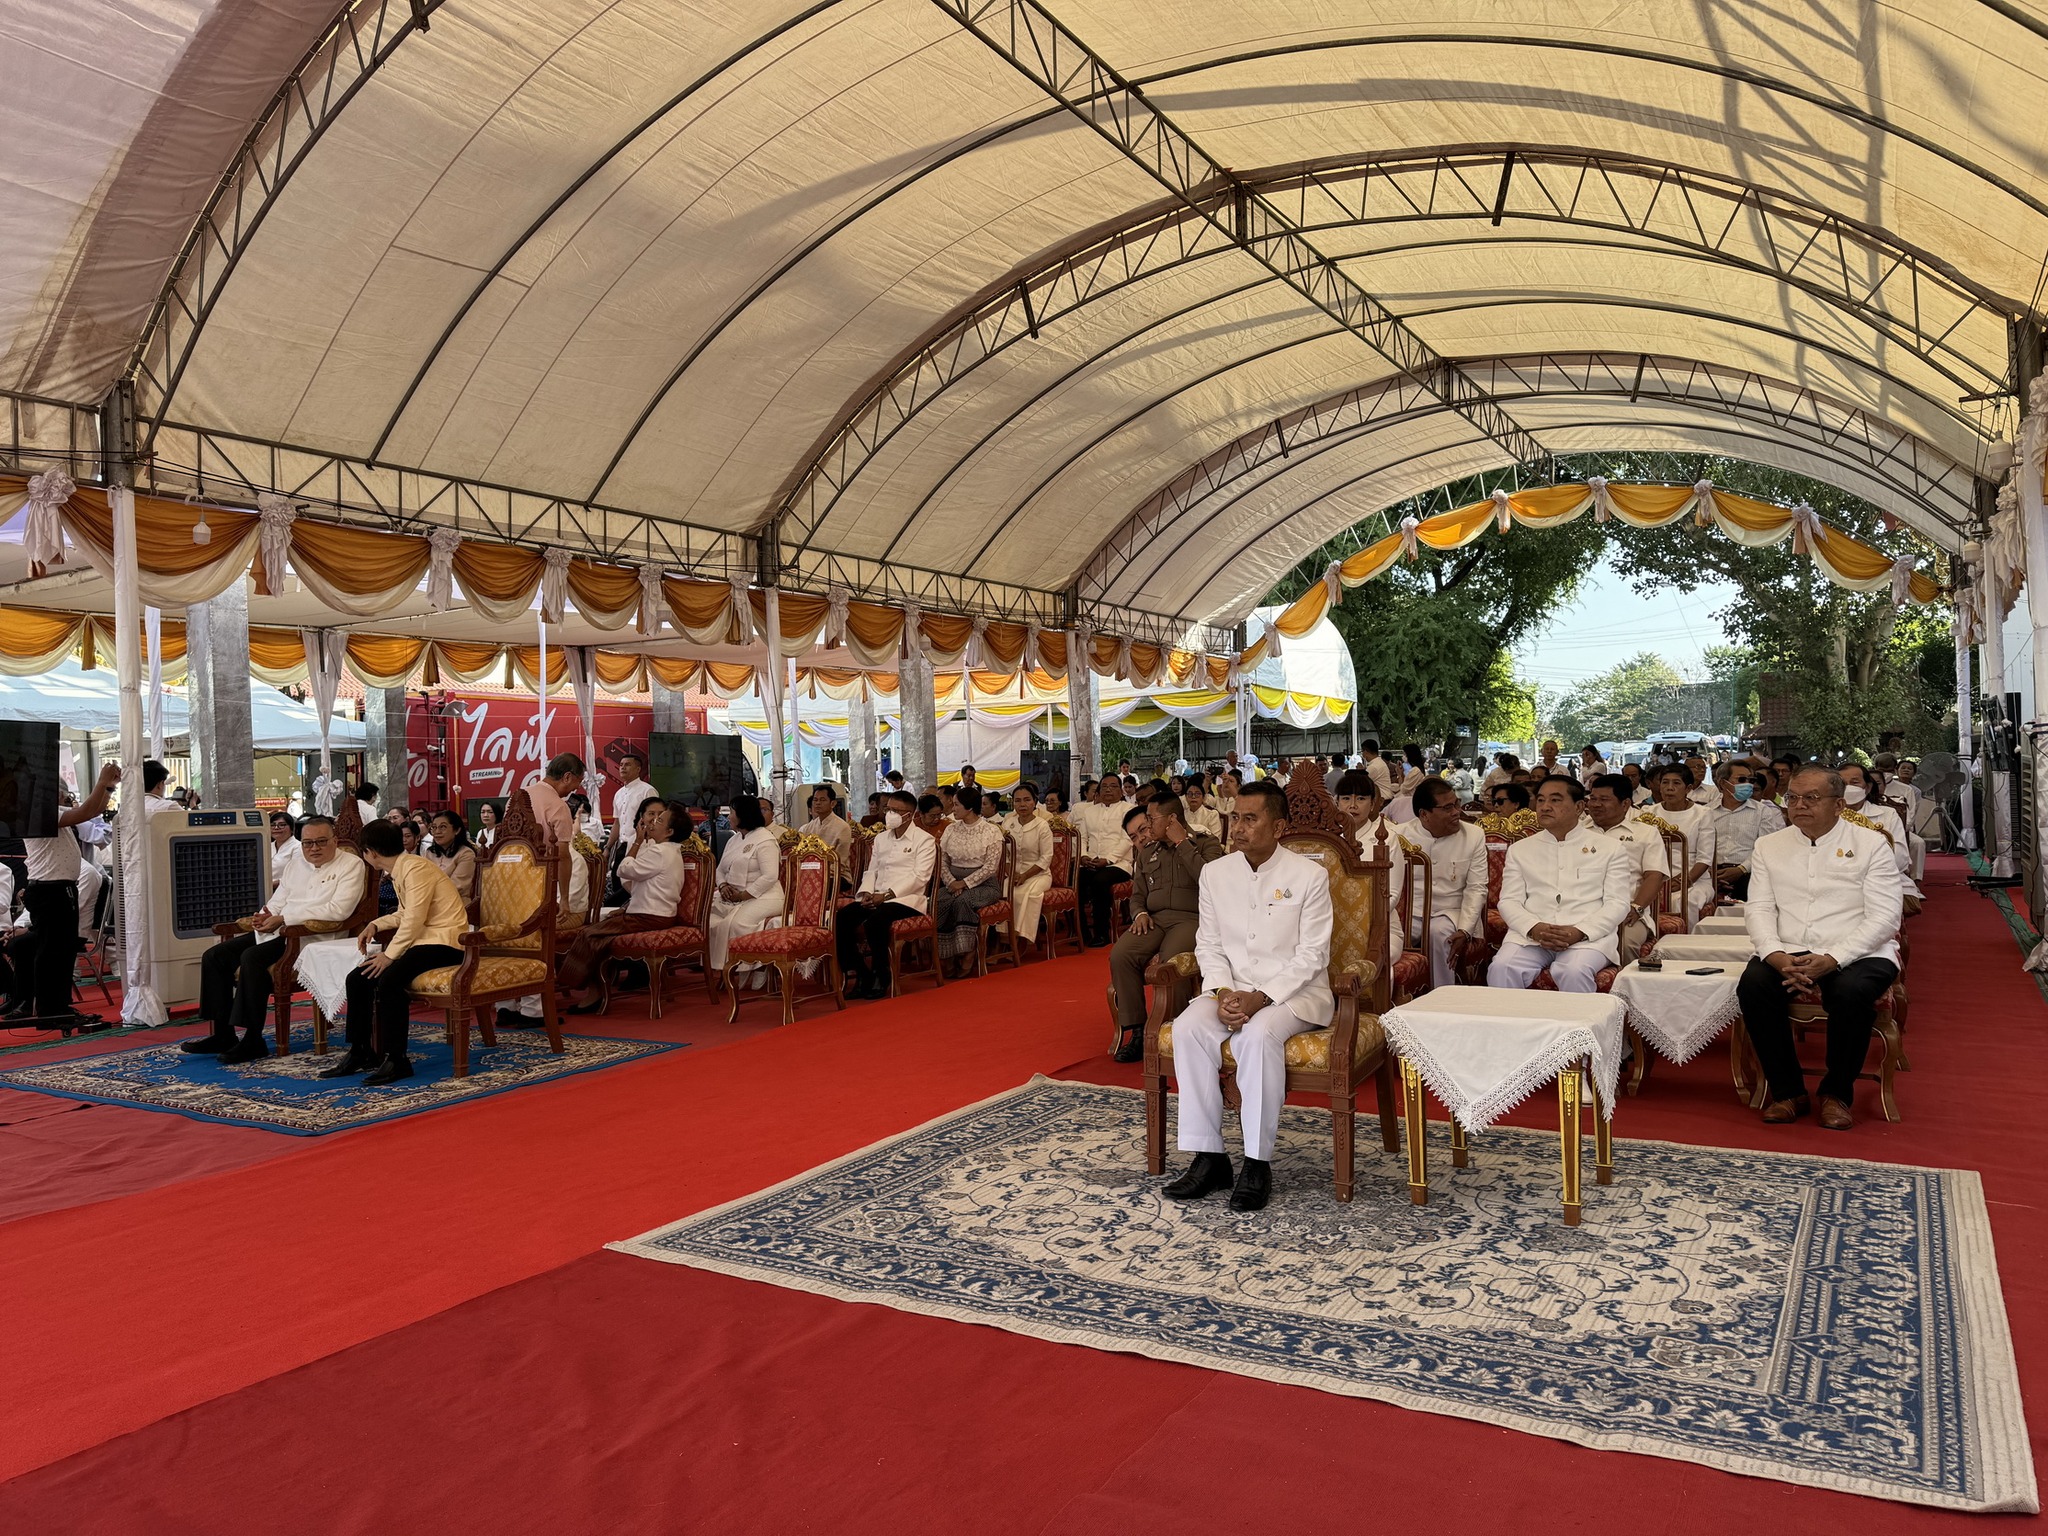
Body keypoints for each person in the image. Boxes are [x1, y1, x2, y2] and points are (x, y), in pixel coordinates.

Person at [1160, 781, 1333, 1214]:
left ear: (1278, 826)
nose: (1237, 827)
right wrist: (1221, 991)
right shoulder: (1216, 873)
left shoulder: (1309, 875)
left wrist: (1261, 997)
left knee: (1257, 1037)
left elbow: (1314, 954)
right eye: (1234, 817)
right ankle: (1210, 1157)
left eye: (1249, 819)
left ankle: (1257, 1162)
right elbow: (1208, 944)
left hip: (1294, 994)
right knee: (1188, 1027)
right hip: (1229, 989)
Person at [1736, 767, 1904, 1130]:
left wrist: (1833, 959)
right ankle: (1788, 1091)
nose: (1799, 805)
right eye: (1792, 798)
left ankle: (1837, 1093)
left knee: (1850, 990)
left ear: (1839, 804)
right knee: (1753, 985)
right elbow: (1760, 908)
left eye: (1811, 798)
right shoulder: (1770, 845)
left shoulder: (1870, 844)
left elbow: (1885, 918)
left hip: (1862, 950)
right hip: (1789, 947)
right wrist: (1775, 955)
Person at [183, 815, 367, 1062]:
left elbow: (338, 910)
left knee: (252, 958)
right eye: (308, 843)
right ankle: (222, 1034)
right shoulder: (297, 863)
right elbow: (279, 900)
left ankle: (253, 1039)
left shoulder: (352, 864)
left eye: (321, 842)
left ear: (334, 841)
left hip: (313, 936)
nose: (314, 848)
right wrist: (263, 916)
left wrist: (284, 918)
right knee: (215, 955)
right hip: (278, 930)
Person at [318, 819, 468, 1086]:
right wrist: (375, 924)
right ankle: (361, 1051)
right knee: (358, 978)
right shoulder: (403, 869)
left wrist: (389, 956)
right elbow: (405, 913)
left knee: (388, 980)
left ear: (371, 853)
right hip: (424, 941)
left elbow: (414, 919)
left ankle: (397, 1058)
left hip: (446, 943)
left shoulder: (415, 868)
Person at [0, 763, 121, 1028]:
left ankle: (55, 1008)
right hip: (49, 890)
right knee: (53, 953)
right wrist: (102, 782)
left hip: (57, 889)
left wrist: (109, 786)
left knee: (60, 952)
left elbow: (93, 811)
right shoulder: (35, 812)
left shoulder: (43, 810)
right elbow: (87, 811)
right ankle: (51, 1010)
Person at [1487, 777, 1632, 992]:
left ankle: (1579, 1026)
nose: (1545, 807)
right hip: (1531, 936)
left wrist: (1580, 931)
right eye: (1541, 800)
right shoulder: (1521, 849)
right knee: (1502, 967)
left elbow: (1618, 903)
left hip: (1587, 938)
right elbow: (1509, 901)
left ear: (1579, 806)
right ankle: (1515, 1025)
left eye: (1555, 800)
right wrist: (1534, 928)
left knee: (1572, 971)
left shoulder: (1610, 848)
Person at [1109, 793, 1224, 1061]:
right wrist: (1138, 913)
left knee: (1171, 963)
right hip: (1154, 919)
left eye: (1152, 818)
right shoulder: (1148, 851)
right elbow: (1136, 895)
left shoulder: (1205, 844)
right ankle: (1138, 1031)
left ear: (1171, 819)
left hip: (1191, 919)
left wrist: (1182, 843)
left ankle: (1175, 1031)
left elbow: (1213, 883)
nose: (1148, 825)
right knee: (1121, 954)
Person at [559, 798, 688, 1010]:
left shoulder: (659, 852)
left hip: (649, 916)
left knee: (589, 934)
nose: (653, 821)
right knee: (599, 934)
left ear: (669, 832)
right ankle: (595, 990)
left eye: (660, 820)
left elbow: (623, 870)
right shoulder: (668, 850)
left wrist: (637, 841)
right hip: (649, 912)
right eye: (653, 816)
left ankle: (580, 986)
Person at [837, 789, 938, 998]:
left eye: (895, 810)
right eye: (888, 809)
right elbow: (871, 869)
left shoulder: (924, 840)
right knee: (842, 919)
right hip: (876, 896)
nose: (889, 813)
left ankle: (880, 975)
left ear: (909, 815)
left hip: (906, 900)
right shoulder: (881, 839)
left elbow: (920, 877)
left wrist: (887, 895)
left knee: (875, 922)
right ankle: (860, 973)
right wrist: (866, 893)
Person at [1399, 778, 1487, 987]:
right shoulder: (1398, 836)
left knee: (1439, 934)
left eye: (1456, 804)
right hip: (1410, 914)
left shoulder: (1473, 835)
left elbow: (1476, 888)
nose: (1457, 812)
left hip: (1451, 913)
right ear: (1424, 814)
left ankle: (1442, 997)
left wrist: (1465, 929)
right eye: (1448, 808)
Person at [1583, 774, 1666, 962]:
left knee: (1626, 942)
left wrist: (1637, 907)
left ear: (1625, 804)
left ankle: (1623, 989)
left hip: (1627, 913)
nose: (1595, 805)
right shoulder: (1577, 831)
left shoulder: (1645, 833)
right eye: (1593, 799)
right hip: (1581, 909)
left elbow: (1654, 875)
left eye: (1604, 800)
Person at [707, 793, 783, 985]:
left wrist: (743, 894)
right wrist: (723, 885)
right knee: (709, 919)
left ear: (743, 815)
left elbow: (770, 876)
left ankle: (756, 965)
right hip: (734, 896)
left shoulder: (765, 840)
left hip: (765, 896)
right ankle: (730, 966)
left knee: (736, 923)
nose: (728, 817)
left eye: (731, 812)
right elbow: (720, 869)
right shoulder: (734, 840)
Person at [932, 784, 1004, 974]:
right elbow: (942, 861)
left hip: (984, 884)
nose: (952, 808)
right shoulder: (951, 830)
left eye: (956, 805)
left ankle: (968, 952)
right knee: (939, 900)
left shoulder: (991, 831)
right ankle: (946, 953)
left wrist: (964, 883)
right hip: (953, 881)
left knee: (963, 902)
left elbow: (990, 867)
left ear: (969, 807)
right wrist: (951, 882)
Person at [1636, 764, 1716, 925]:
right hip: (1654, 877)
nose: (1669, 788)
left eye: (1676, 783)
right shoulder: (1649, 812)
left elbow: (1705, 859)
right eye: (1665, 782)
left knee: (1686, 902)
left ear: (1688, 788)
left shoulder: (1703, 814)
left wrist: (1681, 882)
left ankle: (1686, 946)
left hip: (1694, 880)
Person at [1837, 762, 1919, 909]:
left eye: (1854, 782)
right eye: (1843, 784)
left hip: (1880, 880)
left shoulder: (1888, 815)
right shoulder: (1826, 815)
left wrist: (1861, 870)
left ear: (1867, 787)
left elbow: (1900, 859)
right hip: (1835, 879)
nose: (1848, 787)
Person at [1073, 774, 1133, 946]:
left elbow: (1127, 839)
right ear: (1098, 791)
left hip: (1119, 864)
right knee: (1075, 880)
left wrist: (1108, 860)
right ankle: (1081, 933)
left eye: (1113, 786)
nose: (1108, 789)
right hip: (1091, 861)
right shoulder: (1090, 811)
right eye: (1104, 786)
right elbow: (1082, 837)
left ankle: (1102, 933)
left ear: (1121, 791)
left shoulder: (1128, 809)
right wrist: (1083, 855)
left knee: (1100, 881)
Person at [1709, 761, 1772, 902]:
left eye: (1751, 780)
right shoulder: (1706, 812)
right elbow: (1700, 848)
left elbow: (1765, 848)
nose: (1749, 784)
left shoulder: (1762, 812)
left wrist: (1741, 869)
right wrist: (1711, 874)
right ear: (1723, 783)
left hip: (1748, 872)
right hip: (1711, 873)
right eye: (1742, 779)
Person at [1001, 782, 1054, 948]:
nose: (1022, 805)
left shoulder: (1042, 825)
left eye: (1026, 800)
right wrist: (1011, 872)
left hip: (1039, 874)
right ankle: (1002, 936)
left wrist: (1025, 875)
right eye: (1017, 801)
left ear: (1034, 802)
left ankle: (1020, 938)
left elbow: (1046, 858)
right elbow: (1004, 855)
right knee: (1003, 890)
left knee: (1027, 893)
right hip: (1013, 873)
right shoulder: (1008, 824)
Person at [424, 810, 477, 904]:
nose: (437, 832)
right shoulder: (430, 853)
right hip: (430, 902)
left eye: (442, 827)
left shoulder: (466, 854)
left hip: (456, 904)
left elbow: (456, 887)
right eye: (434, 827)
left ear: (457, 830)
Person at [608, 752, 658, 853]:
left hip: (642, 847)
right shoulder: (618, 794)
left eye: (627, 765)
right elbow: (617, 823)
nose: (623, 767)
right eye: (621, 765)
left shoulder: (647, 791)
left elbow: (655, 821)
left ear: (638, 769)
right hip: (622, 846)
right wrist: (608, 848)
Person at [798, 784, 854, 868]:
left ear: (833, 803)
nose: (818, 803)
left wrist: (821, 874)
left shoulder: (843, 827)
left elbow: (841, 861)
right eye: (815, 800)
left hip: (837, 874)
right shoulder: (807, 828)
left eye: (822, 800)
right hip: (811, 873)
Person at [268, 811, 301, 889]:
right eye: (273, 825)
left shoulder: (298, 847)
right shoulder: (267, 846)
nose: (276, 828)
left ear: (292, 829)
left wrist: (270, 885)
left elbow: (297, 875)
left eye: (282, 825)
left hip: (285, 890)